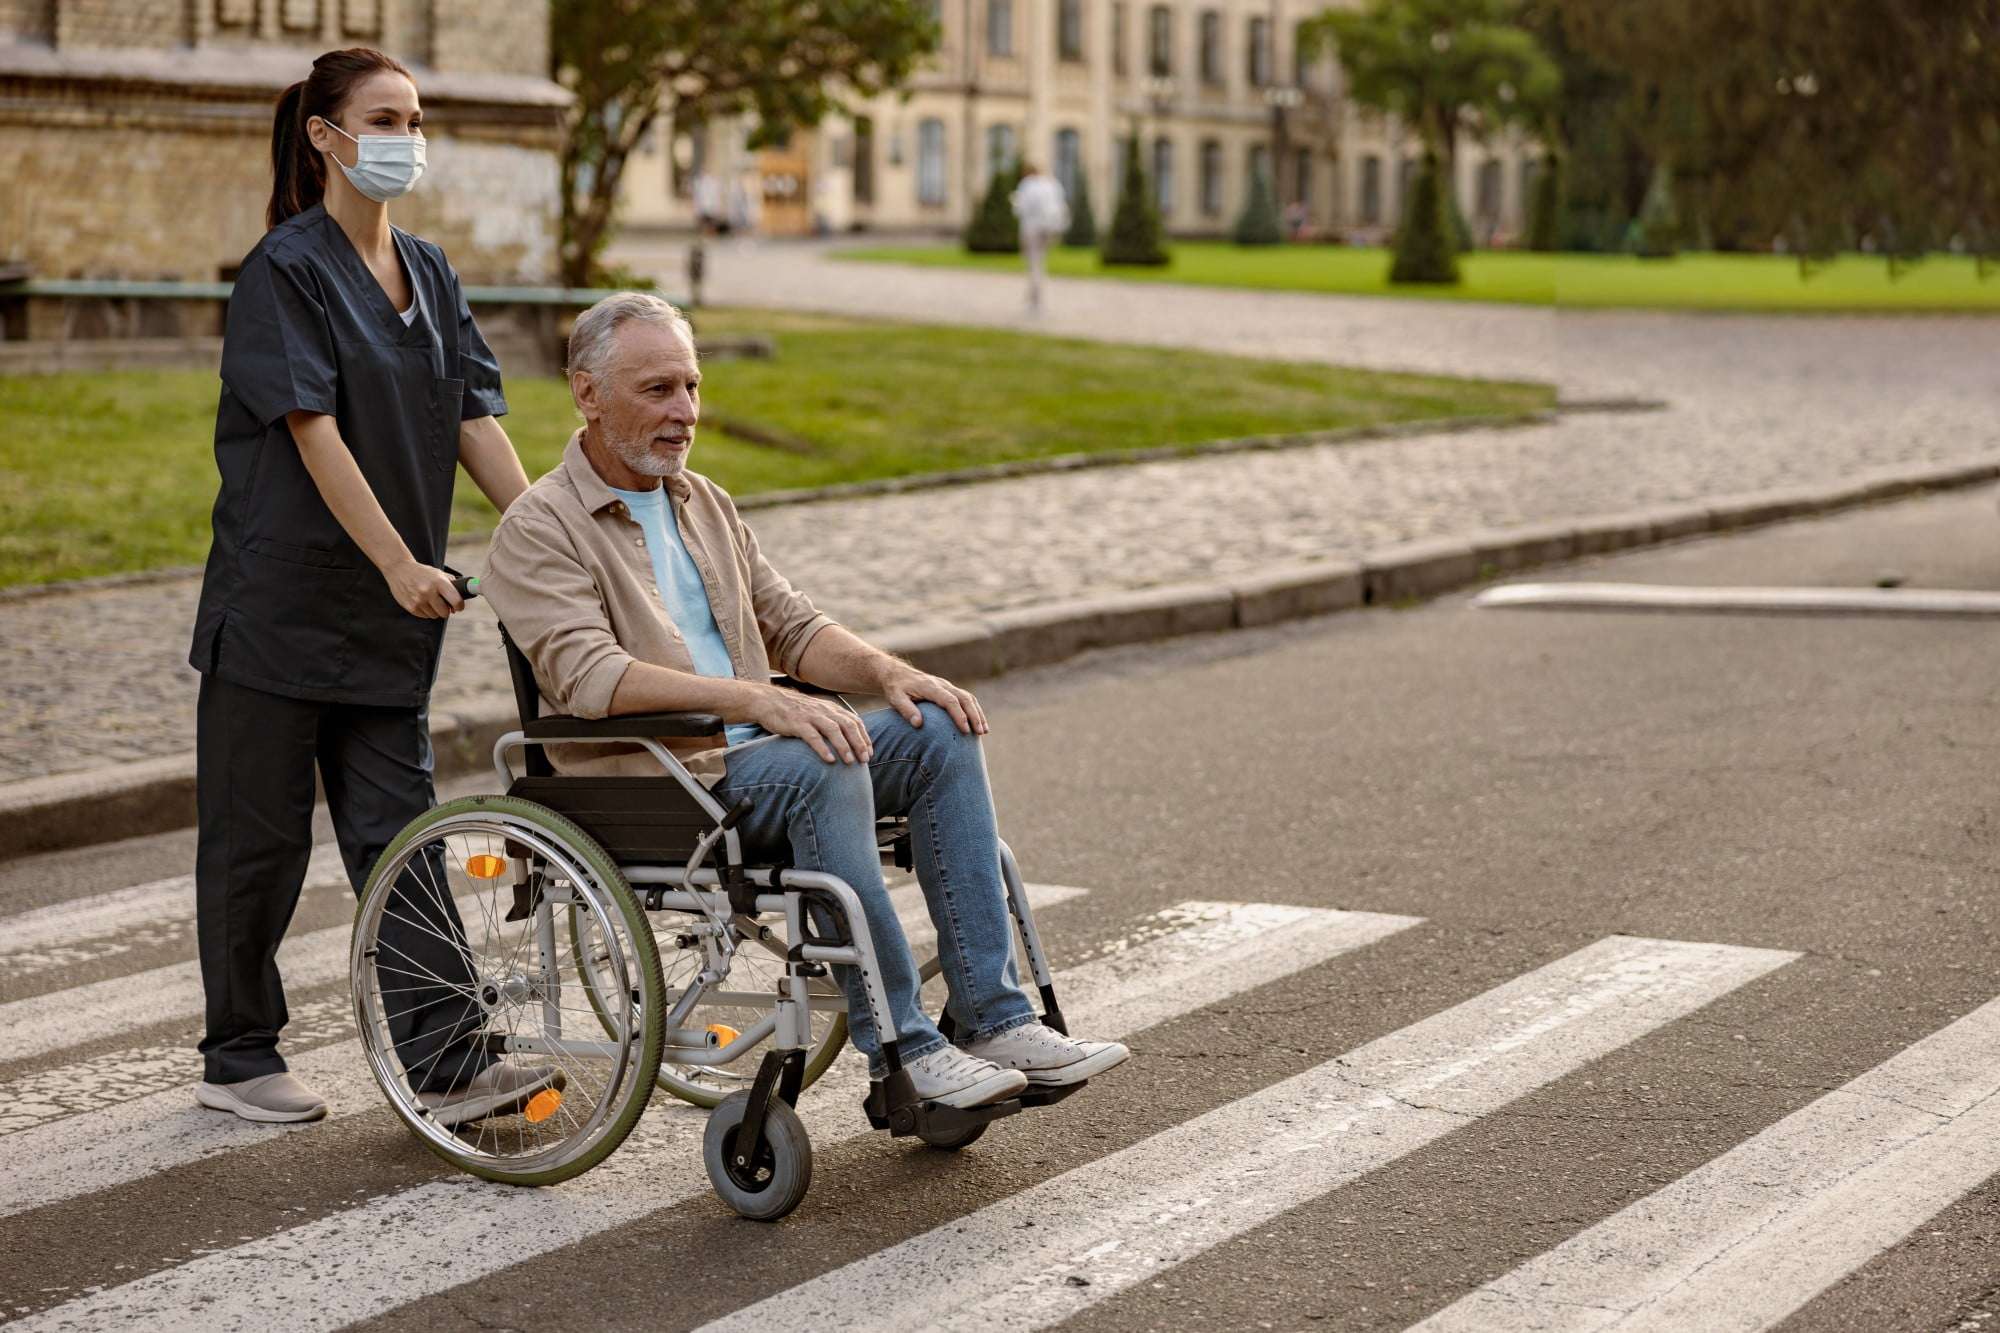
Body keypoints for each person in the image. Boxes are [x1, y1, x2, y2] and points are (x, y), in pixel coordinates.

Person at [480, 293, 1132, 1110]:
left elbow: (790, 625)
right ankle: (902, 1048)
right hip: (661, 781)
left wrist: (890, 674)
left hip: (761, 756)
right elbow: (589, 677)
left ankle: (993, 1019)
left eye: (691, 386)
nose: (685, 412)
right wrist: (759, 700)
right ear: (587, 393)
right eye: (657, 391)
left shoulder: (703, 502)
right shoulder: (540, 526)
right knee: (821, 761)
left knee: (937, 732)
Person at [188, 47, 551, 1126]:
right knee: (256, 844)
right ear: (325, 135)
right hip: (280, 611)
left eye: (415, 115)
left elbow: (475, 415)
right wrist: (400, 561)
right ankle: (239, 1057)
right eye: (385, 116)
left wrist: (547, 540)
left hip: (387, 629)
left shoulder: (430, 273)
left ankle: (448, 1062)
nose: (407, 135)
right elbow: (310, 428)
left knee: (402, 842)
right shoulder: (284, 271)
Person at [1010, 163, 1071, 313]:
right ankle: (1034, 296)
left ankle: (1035, 299)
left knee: (1034, 263)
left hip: (1031, 227)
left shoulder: (1027, 185)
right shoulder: (1051, 184)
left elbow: (1021, 208)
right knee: (1039, 261)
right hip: (1049, 228)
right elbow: (1060, 204)